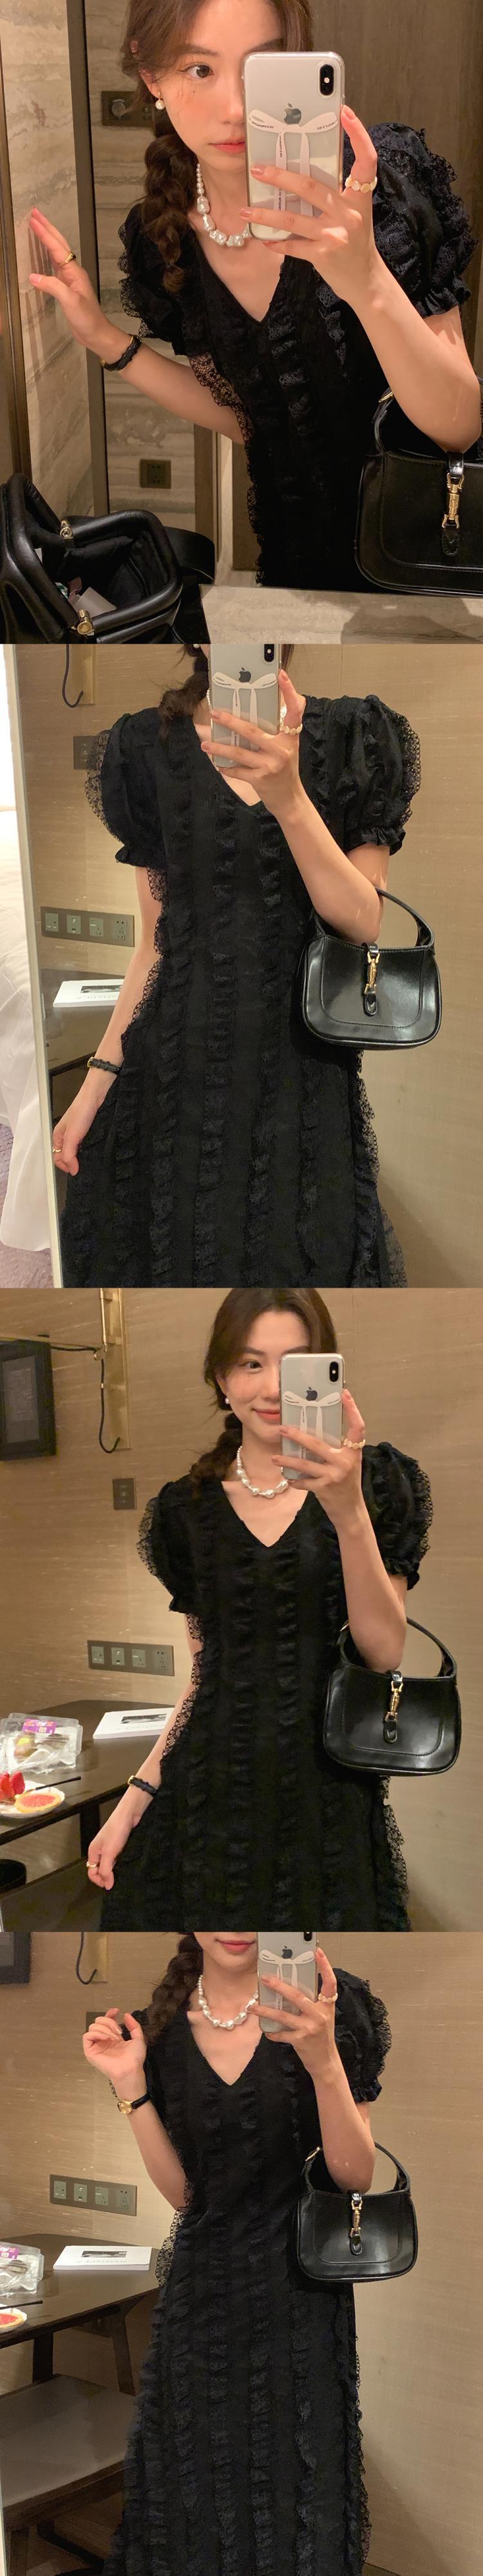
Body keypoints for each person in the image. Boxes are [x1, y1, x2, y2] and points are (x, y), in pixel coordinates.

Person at [28, 0, 481, 589]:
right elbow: (255, 421)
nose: (237, 109)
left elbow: (459, 427)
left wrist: (366, 279)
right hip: (297, 567)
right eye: (200, 69)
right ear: (150, 75)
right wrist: (105, 339)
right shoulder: (163, 240)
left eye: (260, 68)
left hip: (421, 561)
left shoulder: (381, 186)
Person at [53, 653, 421, 1286]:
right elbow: (156, 944)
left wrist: (290, 797)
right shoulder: (146, 747)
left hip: (301, 1080)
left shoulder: (353, 736)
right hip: (171, 1082)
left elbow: (362, 923)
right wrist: (97, 1081)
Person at [85, 1288, 432, 1927]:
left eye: (295, 1363)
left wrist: (348, 1511)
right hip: (206, 1794)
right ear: (221, 1379)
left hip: (326, 1796)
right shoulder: (184, 1509)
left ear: (328, 1372)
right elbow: (206, 1677)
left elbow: (384, 1653)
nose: (272, 1386)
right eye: (250, 1363)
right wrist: (136, 1797)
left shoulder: (379, 1481)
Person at [82, 1930, 393, 2576]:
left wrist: (323, 2059)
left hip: (300, 2301)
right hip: (200, 2300)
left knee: (296, 2492)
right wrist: (130, 2084)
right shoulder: (160, 2030)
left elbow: (355, 2176)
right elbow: (187, 2197)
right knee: (192, 2489)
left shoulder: (333, 2003)